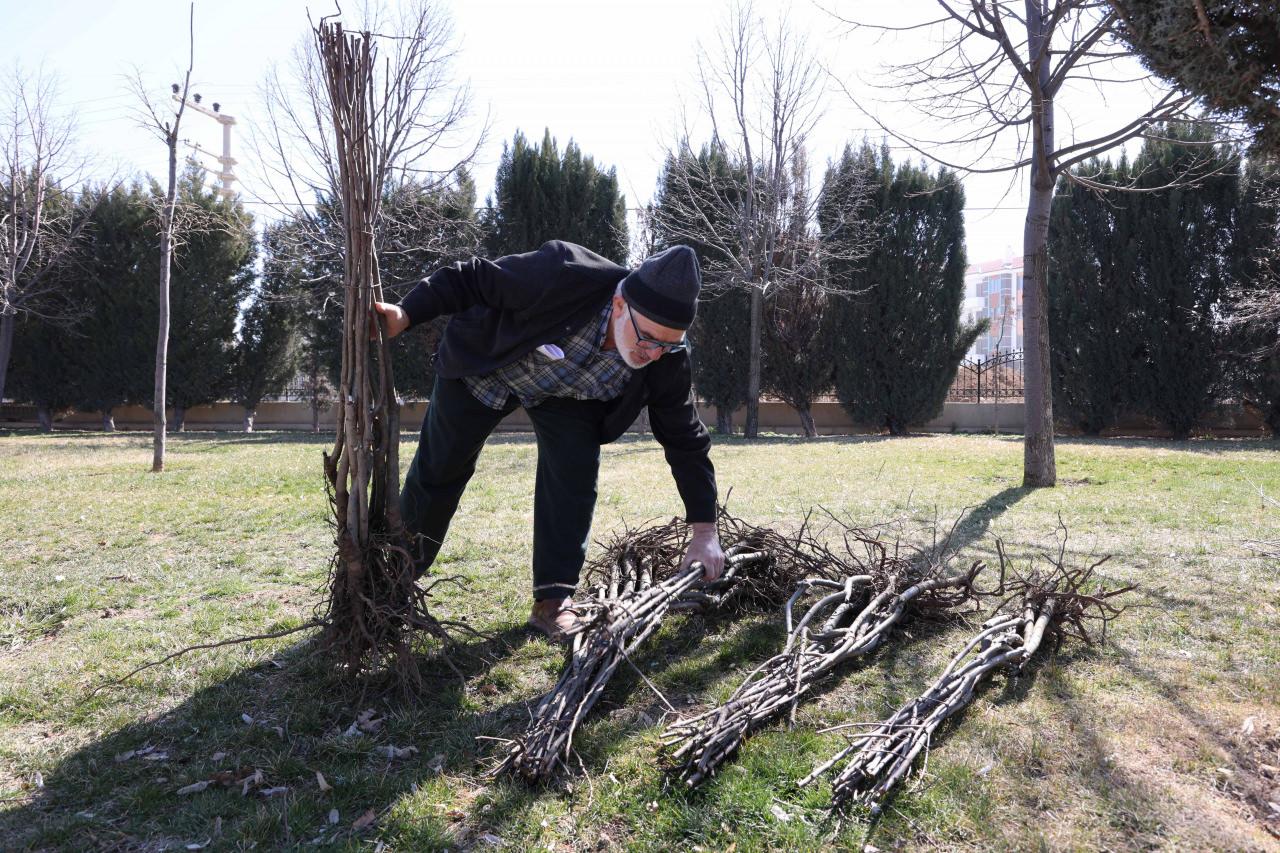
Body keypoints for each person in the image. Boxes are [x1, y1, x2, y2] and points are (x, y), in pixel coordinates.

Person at [374, 240, 724, 640]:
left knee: (574, 478)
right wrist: (407, 312)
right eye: (648, 339)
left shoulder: (666, 358)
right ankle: (392, 584)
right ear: (620, 304)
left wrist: (704, 532)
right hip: (486, 364)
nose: (653, 354)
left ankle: (552, 601)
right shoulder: (564, 272)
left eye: (667, 344)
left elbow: (685, 438)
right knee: (439, 470)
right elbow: (471, 277)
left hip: (568, 397)